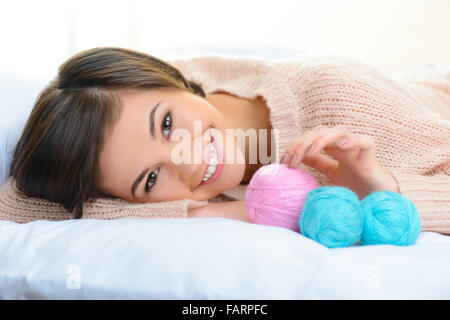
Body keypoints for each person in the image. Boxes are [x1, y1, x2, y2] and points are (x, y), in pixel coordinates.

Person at [6, 47, 450, 233]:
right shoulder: (126, 116)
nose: (187, 161)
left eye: (165, 125)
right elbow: (18, 206)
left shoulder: (336, 100)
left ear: (175, 79)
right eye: (151, 178)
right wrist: (227, 209)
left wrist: (381, 188)